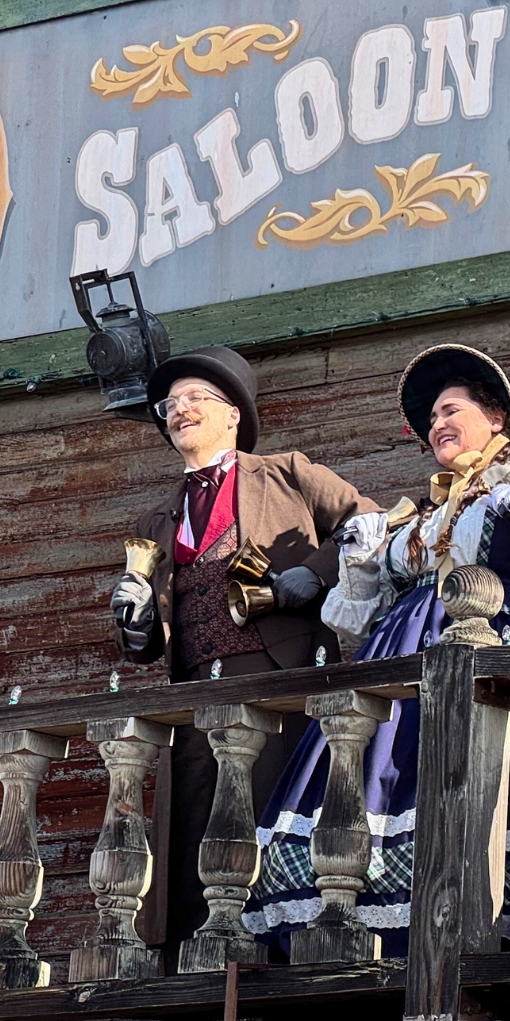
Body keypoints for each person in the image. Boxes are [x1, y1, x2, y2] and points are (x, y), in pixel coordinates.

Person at [245, 344, 510, 952]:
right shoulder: (419, 514)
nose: (437, 426)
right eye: (429, 421)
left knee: (496, 805)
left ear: (497, 418)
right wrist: (362, 562)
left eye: (451, 410)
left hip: (508, 666)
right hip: (406, 682)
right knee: (385, 797)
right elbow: (353, 624)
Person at [108, 345, 379, 954]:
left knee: (280, 829)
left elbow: (374, 525)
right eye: (170, 405)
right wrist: (135, 621)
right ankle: (189, 989)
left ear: (233, 414)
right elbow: (146, 646)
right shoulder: (157, 520)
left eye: (195, 399)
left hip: (281, 686)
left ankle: (286, 971)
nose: (179, 411)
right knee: (191, 842)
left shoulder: (287, 473)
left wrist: (315, 570)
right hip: (195, 698)